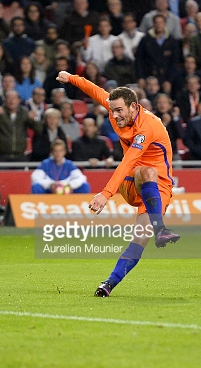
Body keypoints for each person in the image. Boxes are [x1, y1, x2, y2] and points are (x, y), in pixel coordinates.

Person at [56, 70, 180, 297]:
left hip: (158, 187)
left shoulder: (147, 127)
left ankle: (108, 284)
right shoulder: (116, 109)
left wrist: (105, 193)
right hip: (132, 180)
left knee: (139, 238)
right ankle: (160, 228)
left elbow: (128, 160)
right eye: (112, 110)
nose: (114, 115)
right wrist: (71, 78)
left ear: (134, 106)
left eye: (119, 110)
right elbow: (95, 91)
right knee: (145, 171)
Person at [0, 90, 43, 162]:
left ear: (18, 100)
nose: (11, 101)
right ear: (5, 100)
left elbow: (39, 130)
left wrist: (35, 119)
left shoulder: (24, 113)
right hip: (2, 156)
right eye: (9, 98)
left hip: (20, 156)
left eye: (14, 98)